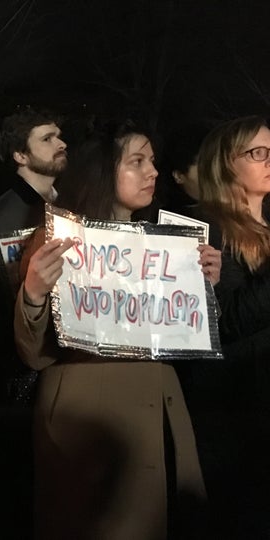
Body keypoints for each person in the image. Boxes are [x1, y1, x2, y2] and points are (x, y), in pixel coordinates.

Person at [15, 120, 219, 540]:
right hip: (89, 431)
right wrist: (33, 293)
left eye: (154, 162)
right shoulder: (57, 242)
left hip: (160, 419)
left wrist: (203, 291)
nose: (153, 172)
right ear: (103, 172)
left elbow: (183, 337)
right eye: (137, 162)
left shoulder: (168, 246)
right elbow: (32, 354)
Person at [0, 107, 68, 538]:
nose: (60, 143)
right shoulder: (2, 220)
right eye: (46, 138)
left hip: (62, 370)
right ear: (19, 156)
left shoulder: (66, 206)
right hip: (26, 383)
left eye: (59, 135)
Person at [196, 114, 270, 538]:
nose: (268, 160)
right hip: (239, 418)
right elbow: (227, 323)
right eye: (257, 152)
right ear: (226, 163)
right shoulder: (211, 231)